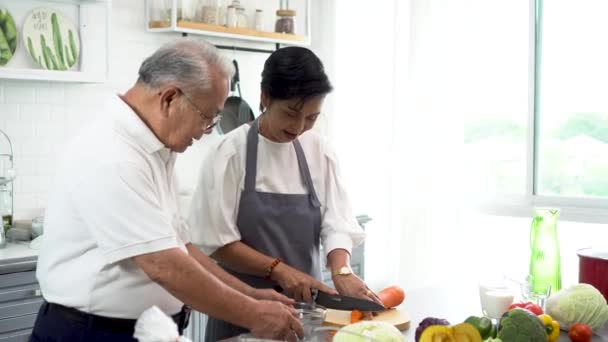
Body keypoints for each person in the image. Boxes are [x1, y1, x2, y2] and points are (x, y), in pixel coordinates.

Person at [31, 40, 304, 342]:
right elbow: (165, 266)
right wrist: (254, 315)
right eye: (208, 117)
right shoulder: (114, 155)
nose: (207, 130)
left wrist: (252, 295)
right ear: (170, 98)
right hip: (91, 333)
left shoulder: (156, 149)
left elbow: (181, 248)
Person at [188, 46, 383, 342]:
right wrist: (279, 271)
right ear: (265, 96)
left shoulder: (319, 150)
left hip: (305, 314)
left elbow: (337, 224)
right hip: (241, 313)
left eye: (311, 117)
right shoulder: (229, 152)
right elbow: (216, 241)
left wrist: (342, 271)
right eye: (291, 113)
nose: (299, 127)